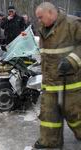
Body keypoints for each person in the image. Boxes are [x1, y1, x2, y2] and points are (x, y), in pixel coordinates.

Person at [34, 2, 81, 149]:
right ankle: (49, 142)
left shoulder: (72, 24)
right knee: (49, 114)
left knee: (75, 115)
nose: (39, 21)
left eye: (40, 17)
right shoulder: (43, 29)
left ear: (50, 13)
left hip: (71, 82)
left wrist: (72, 60)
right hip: (50, 83)